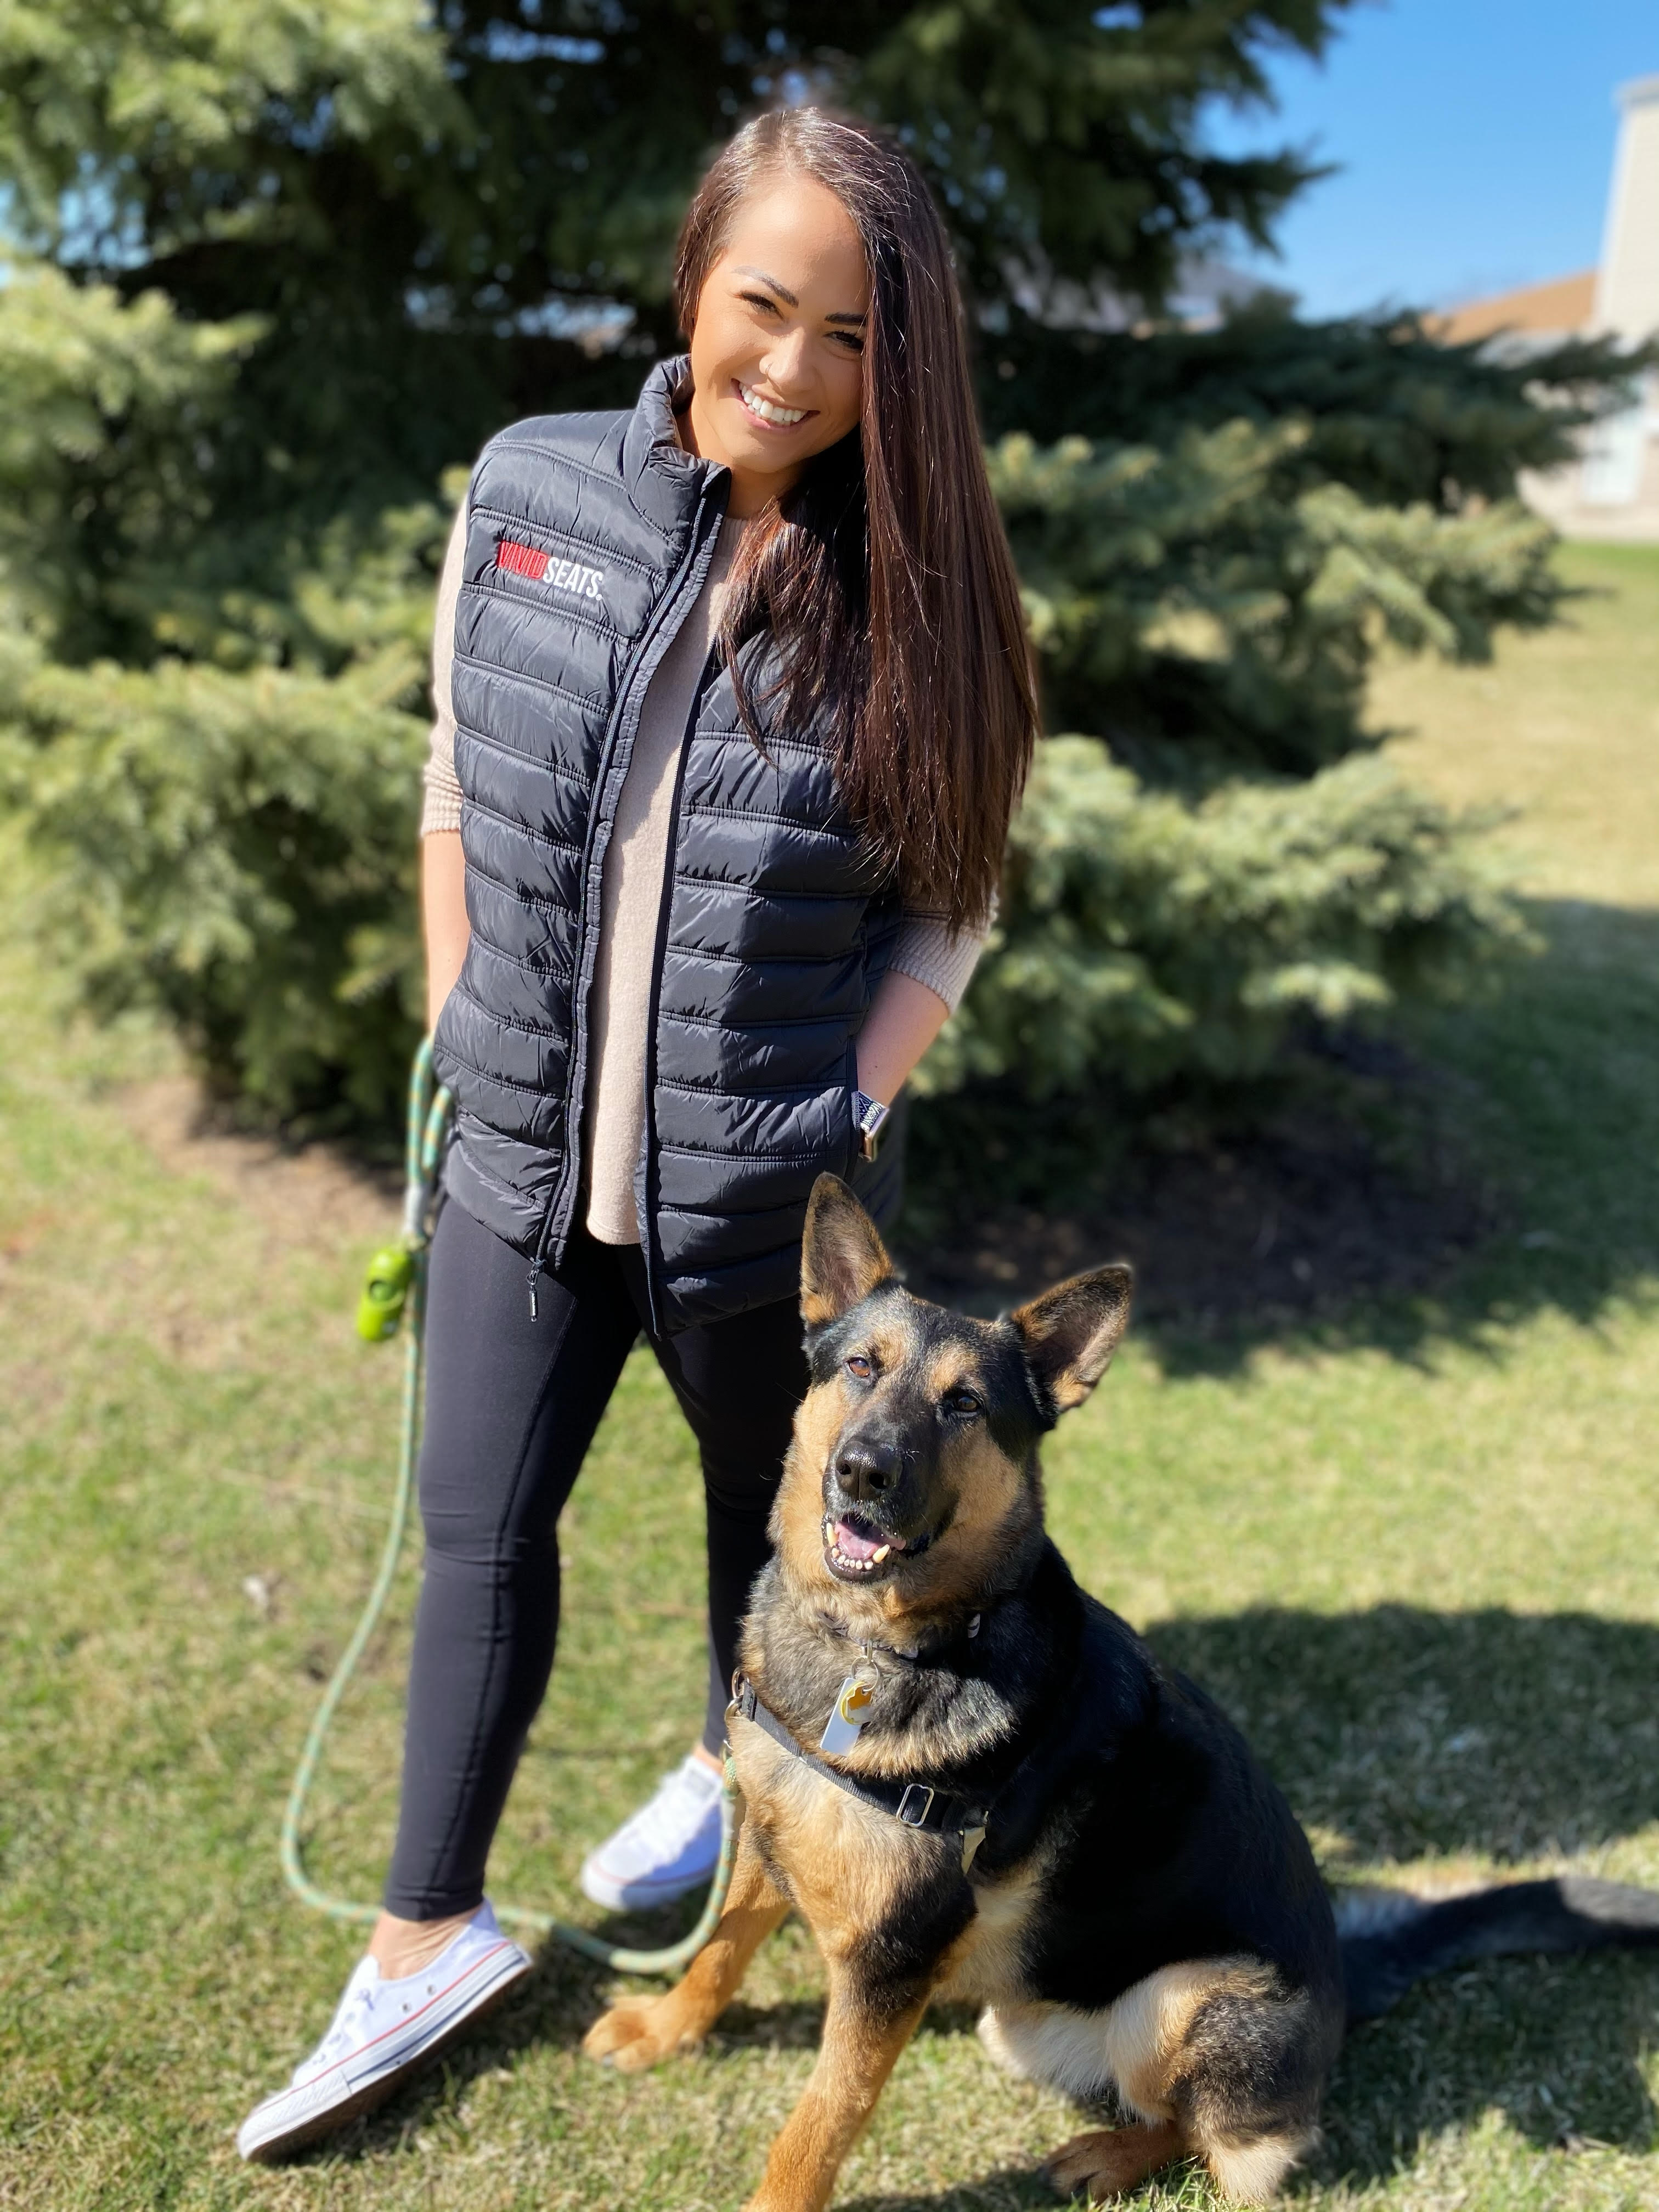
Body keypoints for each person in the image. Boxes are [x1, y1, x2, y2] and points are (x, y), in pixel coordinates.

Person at [237, 105, 1036, 2162]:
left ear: (904, 361)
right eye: (764, 304)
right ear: (695, 277)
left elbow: (953, 900)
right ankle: (425, 1937)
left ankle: (724, 1769)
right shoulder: (528, 487)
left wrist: (848, 1103)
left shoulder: (923, 590)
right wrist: (457, 1003)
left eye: (854, 336)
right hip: (513, 1149)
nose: (794, 365)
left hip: (759, 1199)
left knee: (752, 1541)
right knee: (477, 1533)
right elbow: (452, 774)